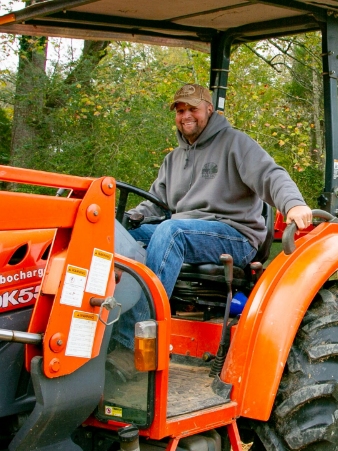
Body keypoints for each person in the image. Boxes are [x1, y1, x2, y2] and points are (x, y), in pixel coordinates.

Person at [127, 83, 313, 299]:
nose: (186, 115)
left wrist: (293, 203)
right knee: (117, 232)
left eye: (192, 108)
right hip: (185, 231)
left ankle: (139, 327)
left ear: (209, 109)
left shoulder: (235, 143)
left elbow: (270, 175)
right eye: (180, 111)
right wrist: (126, 218)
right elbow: (155, 203)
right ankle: (102, 316)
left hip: (234, 234)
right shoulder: (173, 159)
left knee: (171, 232)